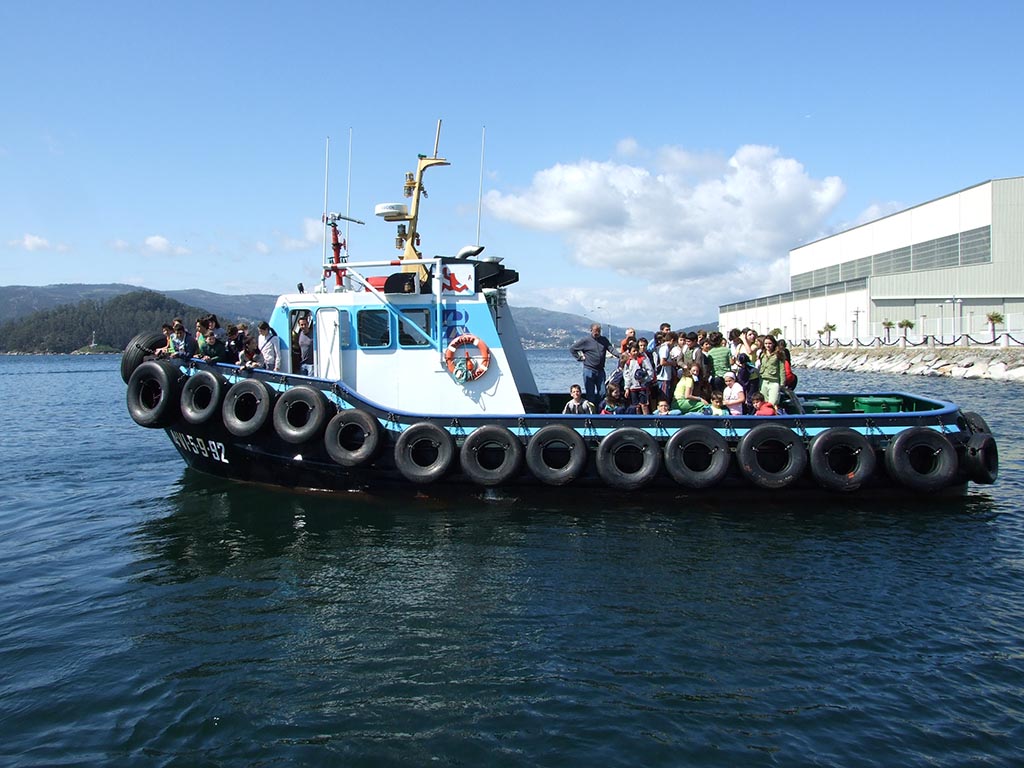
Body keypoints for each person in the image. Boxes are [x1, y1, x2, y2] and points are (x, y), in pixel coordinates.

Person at [570, 324, 618, 406]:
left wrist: (621, 356)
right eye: (595, 331)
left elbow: (611, 349)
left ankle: (600, 409)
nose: (597, 333)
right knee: (590, 394)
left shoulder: (604, 340)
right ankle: (592, 411)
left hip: (600, 370)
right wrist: (579, 358)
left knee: (603, 392)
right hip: (589, 370)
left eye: (598, 331)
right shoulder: (585, 341)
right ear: (591, 330)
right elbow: (572, 349)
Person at [623, 343, 655, 415]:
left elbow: (650, 371)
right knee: (636, 406)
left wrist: (645, 380)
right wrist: (627, 388)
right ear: (630, 352)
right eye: (633, 351)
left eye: (637, 350)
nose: (636, 353)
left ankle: (646, 418)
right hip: (633, 387)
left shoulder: (643, 360)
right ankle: (638, 418)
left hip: (642, 387)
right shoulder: (628, 362)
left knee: (644, 405)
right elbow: (626, 376)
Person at [758, 335, 785, 406]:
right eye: (766, 343)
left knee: (772, 402)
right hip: (763, 381)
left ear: (773, 344)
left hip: (774, 381)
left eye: (770, 343)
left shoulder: (779, 354)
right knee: (763, 402)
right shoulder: (762, 354)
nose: (768, 345)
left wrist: (782, 383)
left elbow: (782, 369)